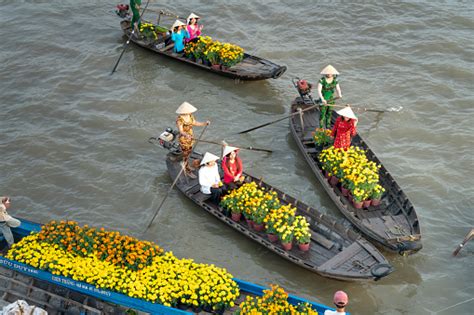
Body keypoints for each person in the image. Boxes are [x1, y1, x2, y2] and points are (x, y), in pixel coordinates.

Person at [175, 102, 210, 178]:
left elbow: (195, 123)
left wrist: (204, 123)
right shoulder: (179, 120)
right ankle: (187, 169)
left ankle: (184, 162)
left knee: (189, 151)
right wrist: (186, 135)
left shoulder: (190, 116)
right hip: (184, 138)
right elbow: (181, 131)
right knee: (186, 154)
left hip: (190, 136)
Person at [317, 65, 342, 129]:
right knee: (322, 114)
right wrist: (322, 99)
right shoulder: (322, 80)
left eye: (330, 73)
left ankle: (328, 127)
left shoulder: (335, 80)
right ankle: (321, 128)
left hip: (331, 99)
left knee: (329, 114)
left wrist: (339, 94)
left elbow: (338, 88)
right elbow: (319, 90)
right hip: (323, 99)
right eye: (328, 73)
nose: (329, 74)